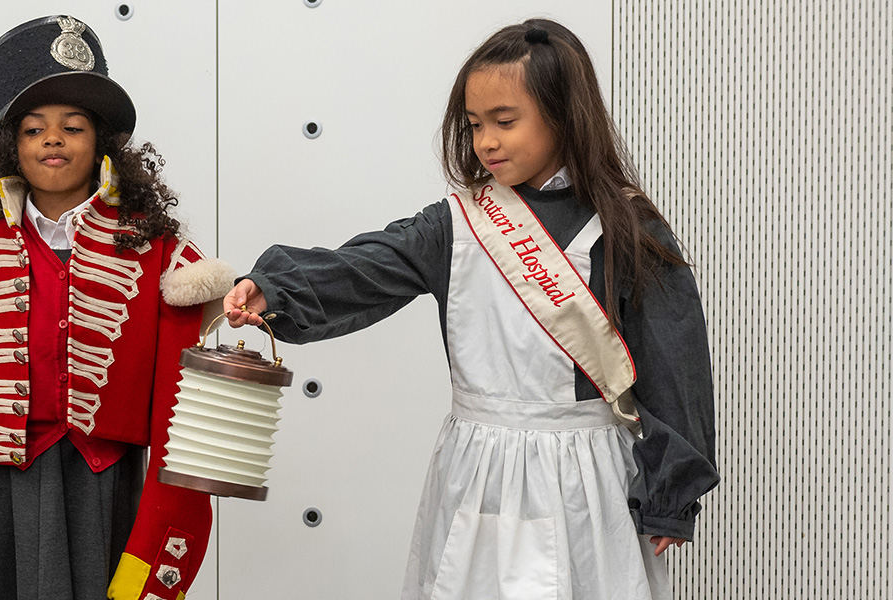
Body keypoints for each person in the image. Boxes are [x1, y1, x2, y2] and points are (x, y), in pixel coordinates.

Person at [224, 18, 718, 600]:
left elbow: (674, 356)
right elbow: (366, 266)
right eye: (476, 124)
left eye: (505, 121)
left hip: (587, 475)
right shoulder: (457, 224)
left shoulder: (627, 227)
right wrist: (276, 288)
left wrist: (670, 492)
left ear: (563, 113)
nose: (486, 141)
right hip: (477, 466)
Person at [0, 15, 235, 600]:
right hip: (3, 484)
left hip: (107, 483)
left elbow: (179, 405)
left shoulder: (157, 254)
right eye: (33, 129)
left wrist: (163, 530)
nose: (53, 140)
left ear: (101, 143)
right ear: (10, 146)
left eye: (73, 126)